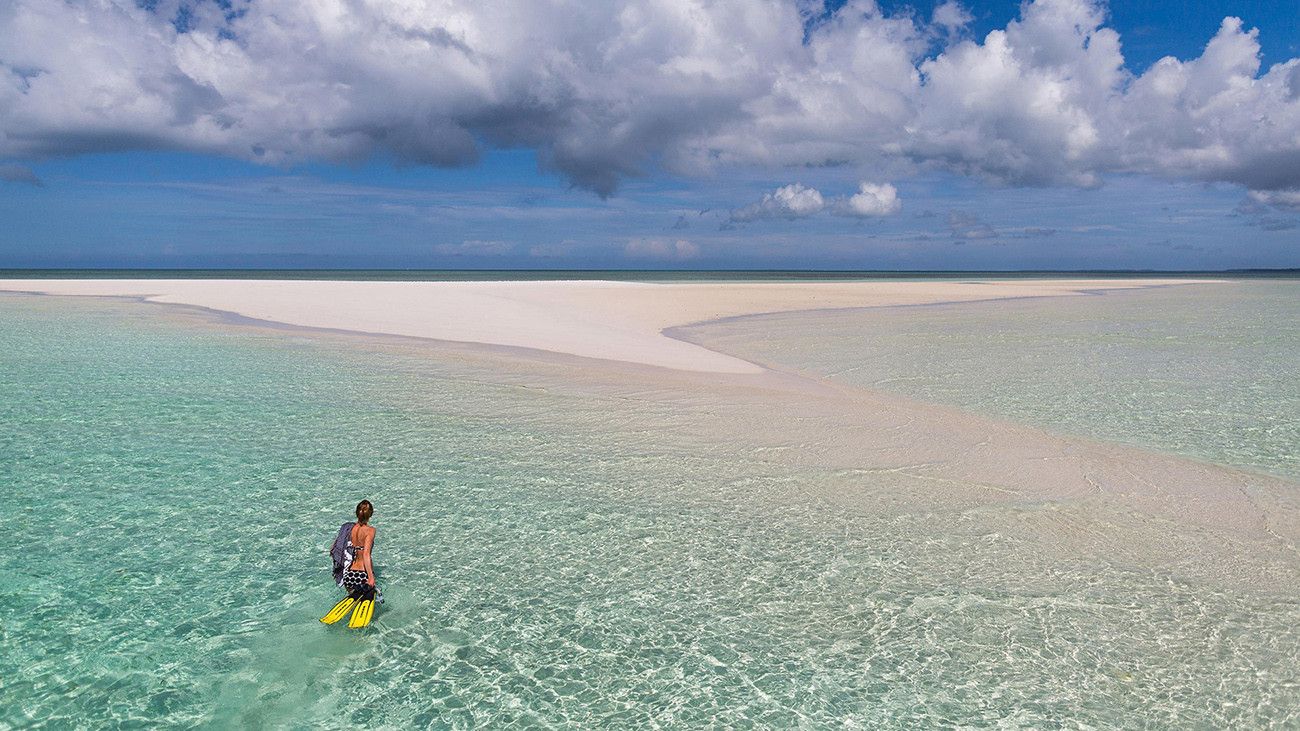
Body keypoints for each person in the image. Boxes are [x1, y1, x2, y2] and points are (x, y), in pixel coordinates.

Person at [340, 499, 377, 599]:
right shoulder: (370, 530)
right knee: (366, 600)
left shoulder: (349, 528)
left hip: (348, 574)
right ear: (370, 514)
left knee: (353, 598)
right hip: (362, 574)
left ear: (357, 513)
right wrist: (371, 577)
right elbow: (366, 554)